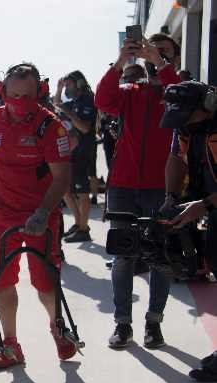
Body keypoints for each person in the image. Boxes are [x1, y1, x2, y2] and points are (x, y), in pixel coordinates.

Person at [0, 63, 75, 369]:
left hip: (40, 215)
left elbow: (62, 177)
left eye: (27, 95)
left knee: (45, 281)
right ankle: (10, 345)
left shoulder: (51, 127)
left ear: (40, 93)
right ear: (2, 92)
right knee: (0, 280)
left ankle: (58, 327)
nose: (19, 101)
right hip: (0, 213)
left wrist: (44, 211)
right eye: (14, 94)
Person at [94, 35, 181, 350]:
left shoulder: (179, 88)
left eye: (163, 53)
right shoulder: (131, 92)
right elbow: (103, 101)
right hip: (124, 185)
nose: (154, 55)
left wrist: (161, 64)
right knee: (123, 256)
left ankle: (153, 323)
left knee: (161, 258)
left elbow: (182, 102)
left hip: (162, 186)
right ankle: (123, 323)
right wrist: (120, 63)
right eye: (150, 51)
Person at [158, 81, 217, 382]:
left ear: (208, 105)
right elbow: (176, 159)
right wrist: (171, 197)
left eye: (187, 115)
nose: (181, 122)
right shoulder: (184, 127)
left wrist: (204, 205)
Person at [54, 70, 96, 242]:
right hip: (73, 153)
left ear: (78, 84)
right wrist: (58, 88)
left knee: (82, 192)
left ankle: (84, 229)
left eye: (69, 84)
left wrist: (69, 113)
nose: (67, 88)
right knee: (66, 191)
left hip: (85, 152)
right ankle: (79, 223)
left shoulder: (88, 99)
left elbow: (85, 128)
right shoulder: (75, 101)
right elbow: (57, 103)